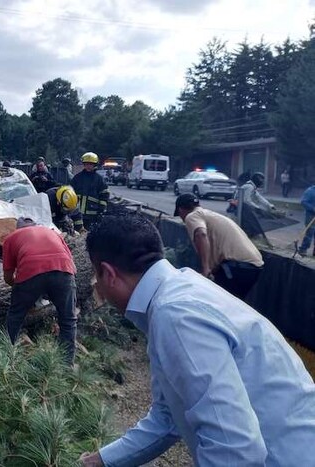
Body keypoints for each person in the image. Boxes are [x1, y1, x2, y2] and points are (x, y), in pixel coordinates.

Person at [79, 212, 315, 467]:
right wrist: (100, 461)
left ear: (108, 273)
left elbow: (234, 451)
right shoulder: (177, 293)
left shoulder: (176, 315)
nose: (98, 288)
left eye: (95, 277)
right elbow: (168, 416)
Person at [2, 218, 77, 363]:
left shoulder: (11, 238)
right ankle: (66, 365)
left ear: (18, 229)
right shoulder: (52, 233)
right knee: (68, 320)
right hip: (64, 270)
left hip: (31, 271)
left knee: (15, 316)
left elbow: (8, 277)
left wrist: (23, 294)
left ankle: (8, 357)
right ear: (35, 226)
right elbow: (72, 265)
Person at [174, 193, 264, 300]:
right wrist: (212, 269)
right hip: (253, 267)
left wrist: (205, 268)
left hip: (237, 267)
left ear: (180, 210)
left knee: (219, 304)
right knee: (233, 306)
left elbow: (201, 234)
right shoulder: (211, 215)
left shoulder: (192, 216)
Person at [70, 152, 109, 230]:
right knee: (77, 234)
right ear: (84, 164)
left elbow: (104, 195)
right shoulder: (77, 177)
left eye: (90, 164)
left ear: (95, 165)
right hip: (77, 213)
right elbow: (70, 192)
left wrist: (101, 210)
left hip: (92, 214)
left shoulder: (99, 179)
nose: (88, 166)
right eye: (86, 164)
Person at [297, 181, 315, 257]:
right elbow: (303, 202)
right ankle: (303, 249)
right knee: (309, 233)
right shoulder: (310, 191)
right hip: (310, 216)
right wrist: (313, 209)